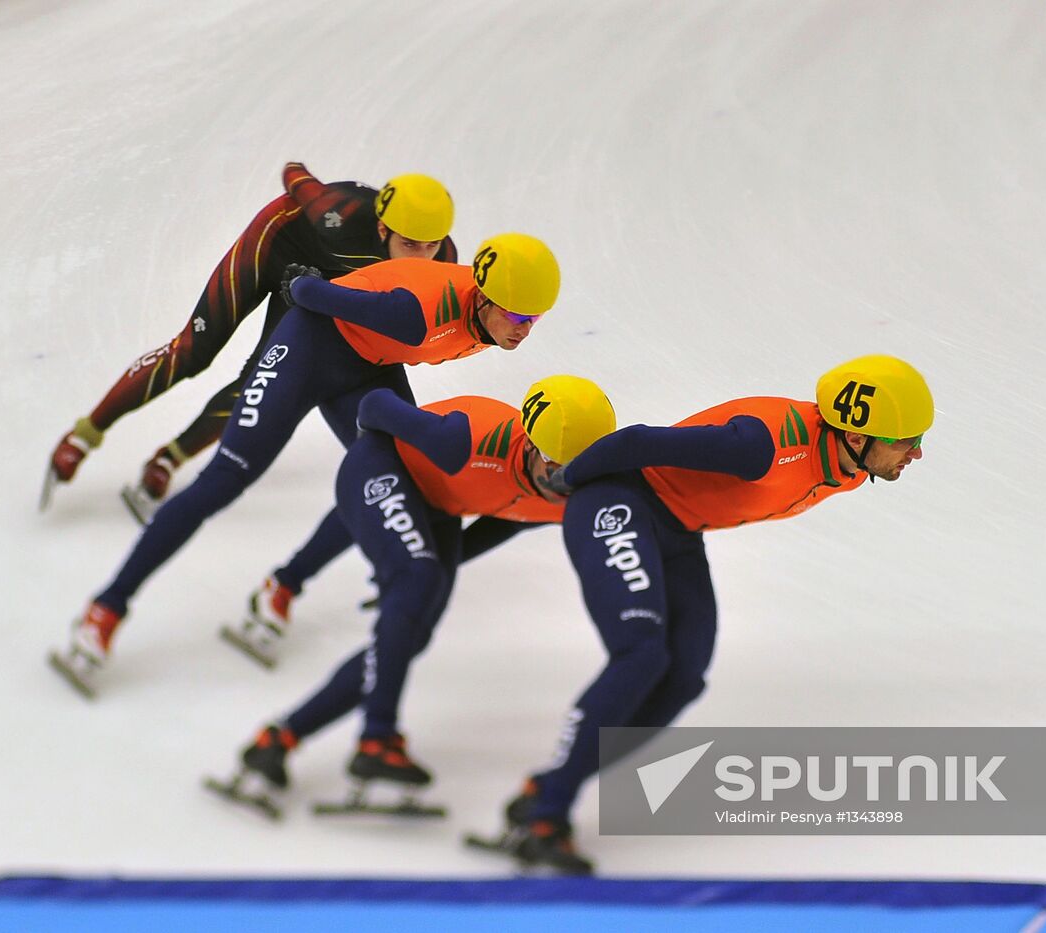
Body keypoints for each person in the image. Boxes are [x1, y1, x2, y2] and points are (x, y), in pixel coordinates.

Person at [46, 233, 562, 699]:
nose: (525, 332)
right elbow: (312, 294)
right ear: (486, 298)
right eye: (518, 318)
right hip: (308, 347)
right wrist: (303, 282)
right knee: (227, 478)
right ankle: (106, 608)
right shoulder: (420, 311)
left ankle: (283, 585)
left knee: (394, 477)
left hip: (368, 367)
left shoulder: (483, 314)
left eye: (535, 320)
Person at [482, 355, 934, 874]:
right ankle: (547, 815)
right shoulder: (762, 445)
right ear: (856, 436)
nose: (916, 452)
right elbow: (636, 443)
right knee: (641, 653)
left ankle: (548, 786)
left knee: (683, 677)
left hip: (676, 529)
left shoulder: (851, 466)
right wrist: (570, 480)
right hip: (618, 502)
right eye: (904, 440)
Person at [206, 376, 617, 816]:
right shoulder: (468, 439)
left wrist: (441, 566)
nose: (564, 484)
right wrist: (408, 565)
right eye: (556, 469)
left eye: (578, 474)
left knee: (408, 637)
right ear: (532, 446)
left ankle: (277, 740)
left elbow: (511, 516)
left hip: (438, 508)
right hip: (381, 466)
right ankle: (376, 739)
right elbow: (375, 403)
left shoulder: (572, 493)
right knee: (417, 578)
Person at [43, 163, 458, 520]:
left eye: (430, 245)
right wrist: (298, 169)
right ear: (383, 226)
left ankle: (169, 459)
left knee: (261, 379)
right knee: (194, 350)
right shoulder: (340, 214)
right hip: (275, 244)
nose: (420, 258)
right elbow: (295, 177)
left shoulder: (443, 261)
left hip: (312, 285)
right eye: (408, 244)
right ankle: (84, 434)